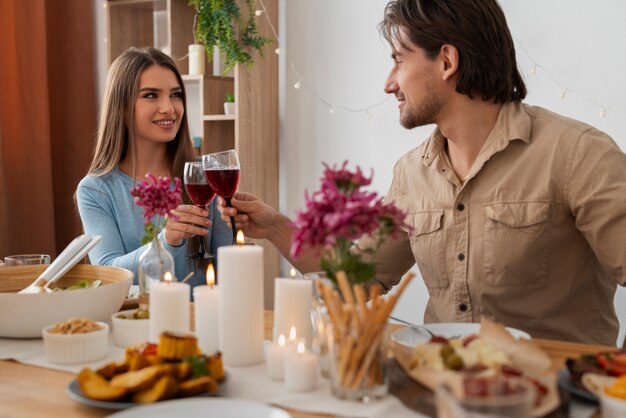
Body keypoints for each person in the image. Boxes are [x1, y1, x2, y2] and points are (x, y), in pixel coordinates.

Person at [218, 0, 626, 345]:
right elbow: (356, 281)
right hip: (438, 387)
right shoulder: (412, 174)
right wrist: (273, 226)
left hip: (553, 396)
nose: (388, 83)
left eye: (398, 60)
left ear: (447, 61)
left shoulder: (578, 154)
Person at [77, 47, 232, 288]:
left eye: (176, 95)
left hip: (202, 320)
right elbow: (107, 272)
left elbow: (229, 268)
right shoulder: (96, 190)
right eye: (151, 95)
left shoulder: (204, 178)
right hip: (137, 322)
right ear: (122, 106)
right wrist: (166, 242)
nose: (169, 108)